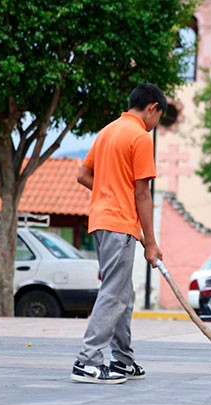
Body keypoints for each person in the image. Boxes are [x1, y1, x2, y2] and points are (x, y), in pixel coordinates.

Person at [71, 83, 165, 384]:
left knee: (123, 291)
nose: (154, 126)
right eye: (158, 118)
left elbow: (83, 175)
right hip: (119, 224)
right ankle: (87, 361)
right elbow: (142, 193)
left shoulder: (108, 131)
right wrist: (150, 243)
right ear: (152, 108)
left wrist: (108, 191)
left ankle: (122, 360)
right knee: (114, 293)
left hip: (100, 221)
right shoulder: (139, 136)